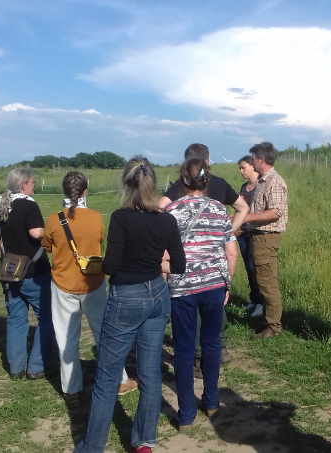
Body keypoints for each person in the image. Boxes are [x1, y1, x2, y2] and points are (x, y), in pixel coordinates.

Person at [74, 157, 186, 453]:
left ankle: (91, 447)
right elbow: (180, 264)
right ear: (153, 185)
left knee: (108, 376)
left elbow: (110, 265)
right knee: (150, 373)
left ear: (127, 184)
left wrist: (97, 264)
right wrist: (153, 259)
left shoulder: (121, 217)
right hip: (158, 296)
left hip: (127, 296)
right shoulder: (167, 219)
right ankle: (144, 441)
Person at [42, 171, 137, 403]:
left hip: (62, 283)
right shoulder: (95, 217)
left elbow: (47, 246)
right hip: (92, 283)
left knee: (66, 337)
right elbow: (100, 241)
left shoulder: (54, 220)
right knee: (104, 334)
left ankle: (71, 388)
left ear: (64, 191)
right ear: (85, 191)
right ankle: (120, 380)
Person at [158, 143, 247, 373]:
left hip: (186, 260)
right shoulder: (218, 183)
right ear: (207, 160)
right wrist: (228, 232)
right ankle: (221, 348)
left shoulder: (179, 186)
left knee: (192, 309)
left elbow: (159, 211)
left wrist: (167, 243)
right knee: (216, 301)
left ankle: (198, 358)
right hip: (216, 259)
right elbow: (243, 208)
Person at [164, 158, 237, 430]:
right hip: (214, 285)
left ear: (182, 181)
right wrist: (226, 283)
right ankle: (212, 400)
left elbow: (164, 253)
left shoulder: (170, 211)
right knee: (211, 343)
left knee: (183, 348)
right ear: (206, 181)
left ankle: (185, 413)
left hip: (181, 287)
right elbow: (231, 251)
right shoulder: (219, 209)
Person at [0, 168, 54, 380]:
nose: (34, 185)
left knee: (16, 319)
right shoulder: (29, 204)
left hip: (10, 273)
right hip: (34, 272)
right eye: (33, 182)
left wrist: (8, 260)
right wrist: (51, 232)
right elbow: (36, 233)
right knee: (46, 317)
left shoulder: (2, 206)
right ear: (24, 184)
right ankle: (36, 366)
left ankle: (16, 367)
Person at [245, 142, 288, 339]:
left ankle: (273, 326)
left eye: (253, 158)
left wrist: (247, 218)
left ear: (261, 160)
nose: (251, 161)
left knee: (267, 282)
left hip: (266, 237)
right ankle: (268, 319)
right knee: (262, 280)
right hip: (259, 236)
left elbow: (275, 212)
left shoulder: (274, 182)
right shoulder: (263, 181)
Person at [237, 156, 264, 318]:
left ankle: (262, 302)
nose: (241, 171)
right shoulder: (244, 187)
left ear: (252, 167)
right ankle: (254, 299)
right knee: (248, 267)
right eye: (240, 168)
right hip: (243, 232)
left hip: (256, 231)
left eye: (243, 167)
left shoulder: (262, 185)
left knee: (256, 268)